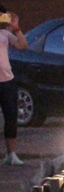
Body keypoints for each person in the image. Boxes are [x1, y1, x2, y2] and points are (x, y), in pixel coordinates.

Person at [0, 11, 29, 165]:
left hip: (7, 80)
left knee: (11, 117)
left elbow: (23, 46)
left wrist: (16, 29)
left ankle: (11, 154)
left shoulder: (4, 34)